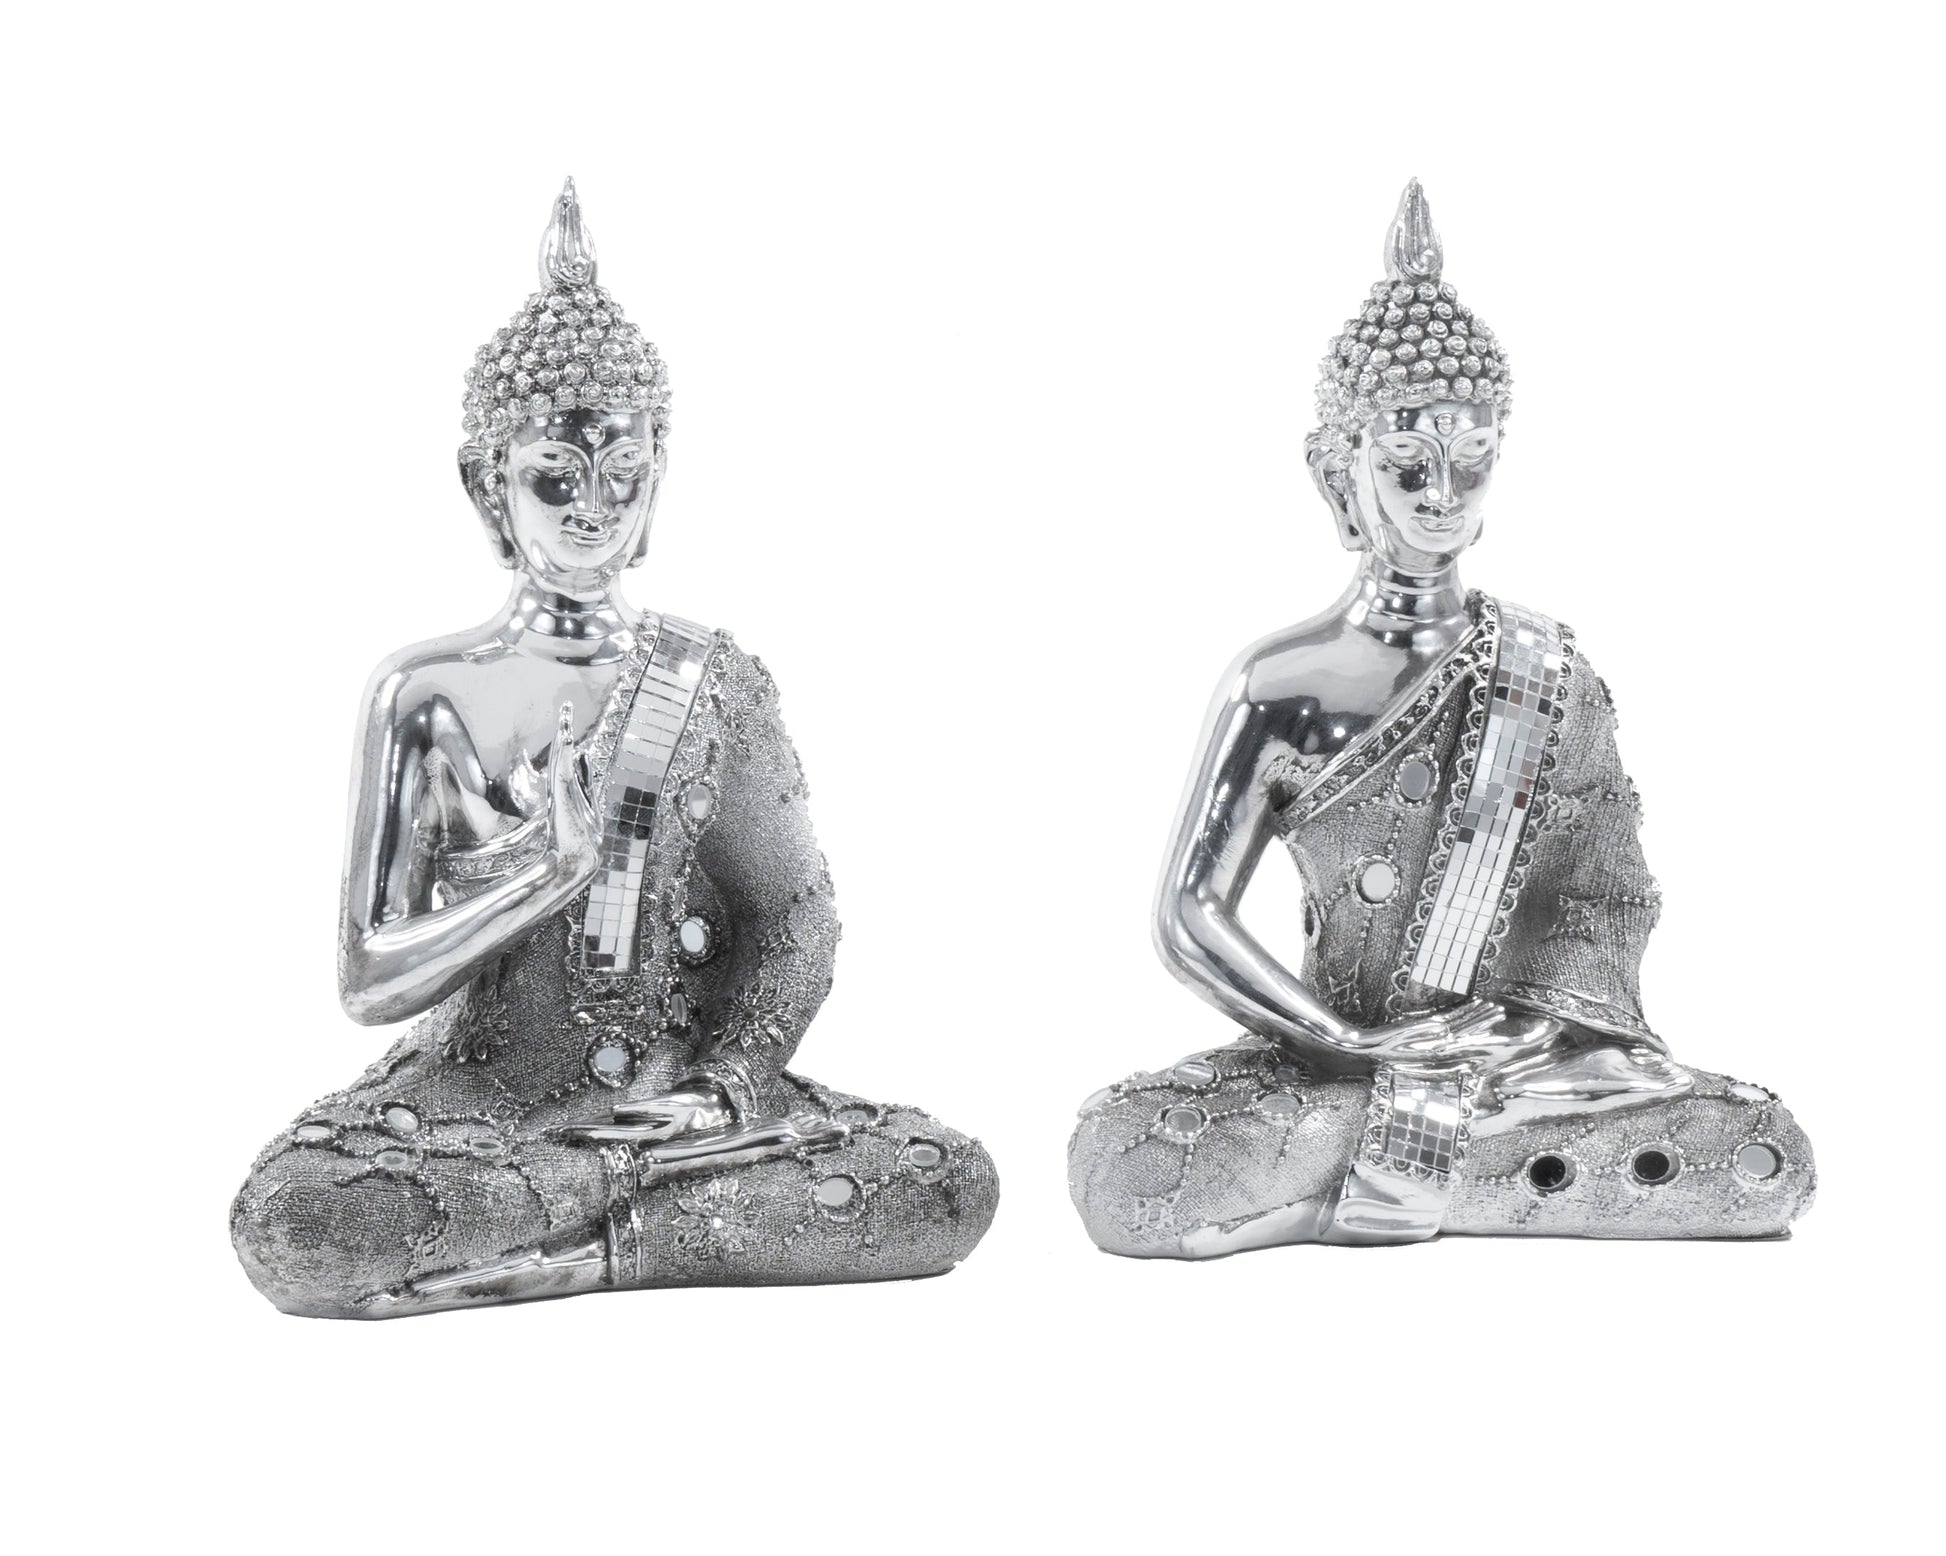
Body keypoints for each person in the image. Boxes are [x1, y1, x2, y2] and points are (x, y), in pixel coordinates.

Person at [232, 182, 997, 1316]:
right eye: (555, 471)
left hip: (673, 1106)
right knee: (297, 1218)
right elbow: (369, 976)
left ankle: (593, 1246)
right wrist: (545, 877)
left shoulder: (712, 679)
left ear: (658, 475)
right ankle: (630, 1214)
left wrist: (729, 1085)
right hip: (478, 1107)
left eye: (622, 470)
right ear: (485, 483)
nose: (591, 504)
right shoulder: (425, 692)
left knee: (945, 1181)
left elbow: (793, 914)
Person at [1069, 181, 1813, 1254]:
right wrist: (1348, 1043)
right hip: (1331, 1056)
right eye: (1407, 466)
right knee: (1136, 1163)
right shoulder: (1280, 680)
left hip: (1520, 1062)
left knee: (1754, 1142)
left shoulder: (1547, 671)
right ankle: (1456, 1166)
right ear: (1336, 472)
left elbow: (1601, 901)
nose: (1440, 495)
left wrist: (1530, 1034)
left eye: (1471, 463)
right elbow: (1189, 916)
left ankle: (1379, 1167)